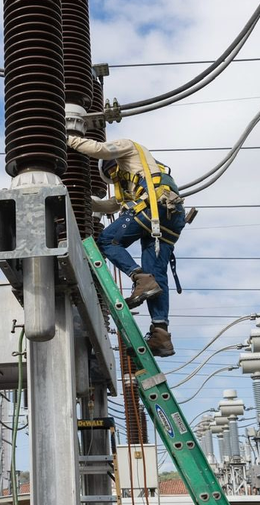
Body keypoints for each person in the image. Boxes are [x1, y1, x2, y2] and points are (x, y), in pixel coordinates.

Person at [67, 136, 187, 357]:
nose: (114, 174)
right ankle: (161, 333)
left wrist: (67, 139)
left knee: (107, 240)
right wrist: (80, 199)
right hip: (171, 216)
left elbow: (99, 149)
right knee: (156, 277)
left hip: (155, 206)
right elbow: (112, 205)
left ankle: (139, 277)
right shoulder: (135, 182)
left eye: (112, 169)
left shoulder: (128, 147)